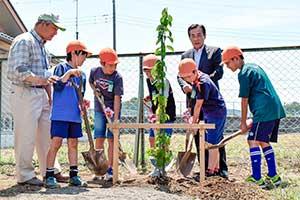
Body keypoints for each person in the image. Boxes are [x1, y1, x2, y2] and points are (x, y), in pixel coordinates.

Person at [7, 13, 68, 186]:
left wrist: (49, 96)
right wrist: (40, 80)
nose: (56, 33)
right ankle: (25, 175)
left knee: (47, 135)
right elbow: (15, 71)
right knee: (26, 135)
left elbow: (46, 74)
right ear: (43, 24)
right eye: (54, 28)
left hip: (40, 93)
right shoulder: (24, 40)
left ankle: (50, 171)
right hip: (24, 92)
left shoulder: (43, 47)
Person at [222, 46, 286, 188]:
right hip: (274, 109)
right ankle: (273, 176)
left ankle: (257, 178)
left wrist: (243, 122)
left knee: (252, 140)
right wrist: (254, 117)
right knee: (263, 141)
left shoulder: (244, 73)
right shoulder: (254, 67)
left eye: (227, 63)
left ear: (236, 58)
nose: (227, 67)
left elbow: (244, 100)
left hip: (264, 111)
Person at [177, 24, 228, 178]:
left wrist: (200, 84)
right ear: (189, 38)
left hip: (210, 101)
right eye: (193, 35)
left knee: (214, 136)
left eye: (199, 35)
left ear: (204, 36)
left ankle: (221, 170)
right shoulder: (185, 55)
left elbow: (218, 73)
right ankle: (205, 169)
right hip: (194, 100)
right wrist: (186, 85)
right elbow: (180, 75)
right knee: (200, 136)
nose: (196, 38)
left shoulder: (215, 51)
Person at [44, 40, 92, 188]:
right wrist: (69, 73)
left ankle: (74, 175)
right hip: (60, 115)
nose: (85, 58)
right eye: (83, 55)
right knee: (56, 143)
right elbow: (57, 87)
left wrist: (83, 103)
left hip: (74, 116)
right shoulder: (61, 68)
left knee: (73, 144)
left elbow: (79, 95)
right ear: (74, 53)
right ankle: (49, 175)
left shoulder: (82, 75)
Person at [89, 47, 123, 181]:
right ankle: (100, 169)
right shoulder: (94, 72)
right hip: (99, 110)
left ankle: (111, 169)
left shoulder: (117, 77)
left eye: (115, 65)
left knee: (112, 139)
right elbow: (91, 82)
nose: (113, 67)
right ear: (102, 63)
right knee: (99, 138)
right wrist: (94, 90)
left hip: (112, 110)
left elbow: (117, 98)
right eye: (110, 65)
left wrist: (115, 119)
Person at [142, 54, 176, 177]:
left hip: (166, 115)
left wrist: (159, 117)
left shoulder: (163, 81)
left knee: (164, 140)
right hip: (155, 116)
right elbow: (155, 95)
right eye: (145, 70)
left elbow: (164, 99)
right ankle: (156, 166)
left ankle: (164, 167)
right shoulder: (148, 80)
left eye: (150, 69)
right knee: (152, 138)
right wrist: (150, 97)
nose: (148, 72)